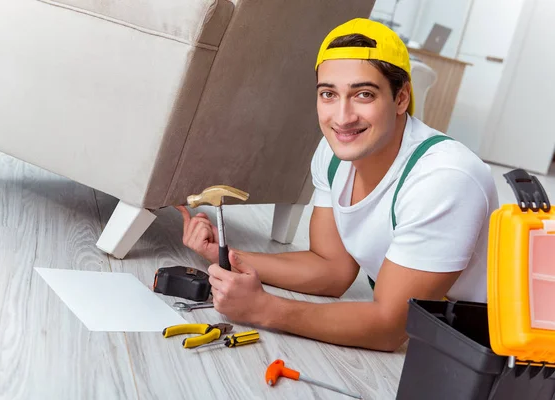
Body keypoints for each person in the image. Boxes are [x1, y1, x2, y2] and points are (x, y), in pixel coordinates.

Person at [176, 18, 498, 351]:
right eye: (329, 94)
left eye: (364, 94)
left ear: (401, 98)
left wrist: (264, 308)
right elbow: (330, 269)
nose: (342, 118)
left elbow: (390, 328)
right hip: (434, 339)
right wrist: (226, 254)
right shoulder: (334, 155)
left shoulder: (444, 178)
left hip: (492, 348)